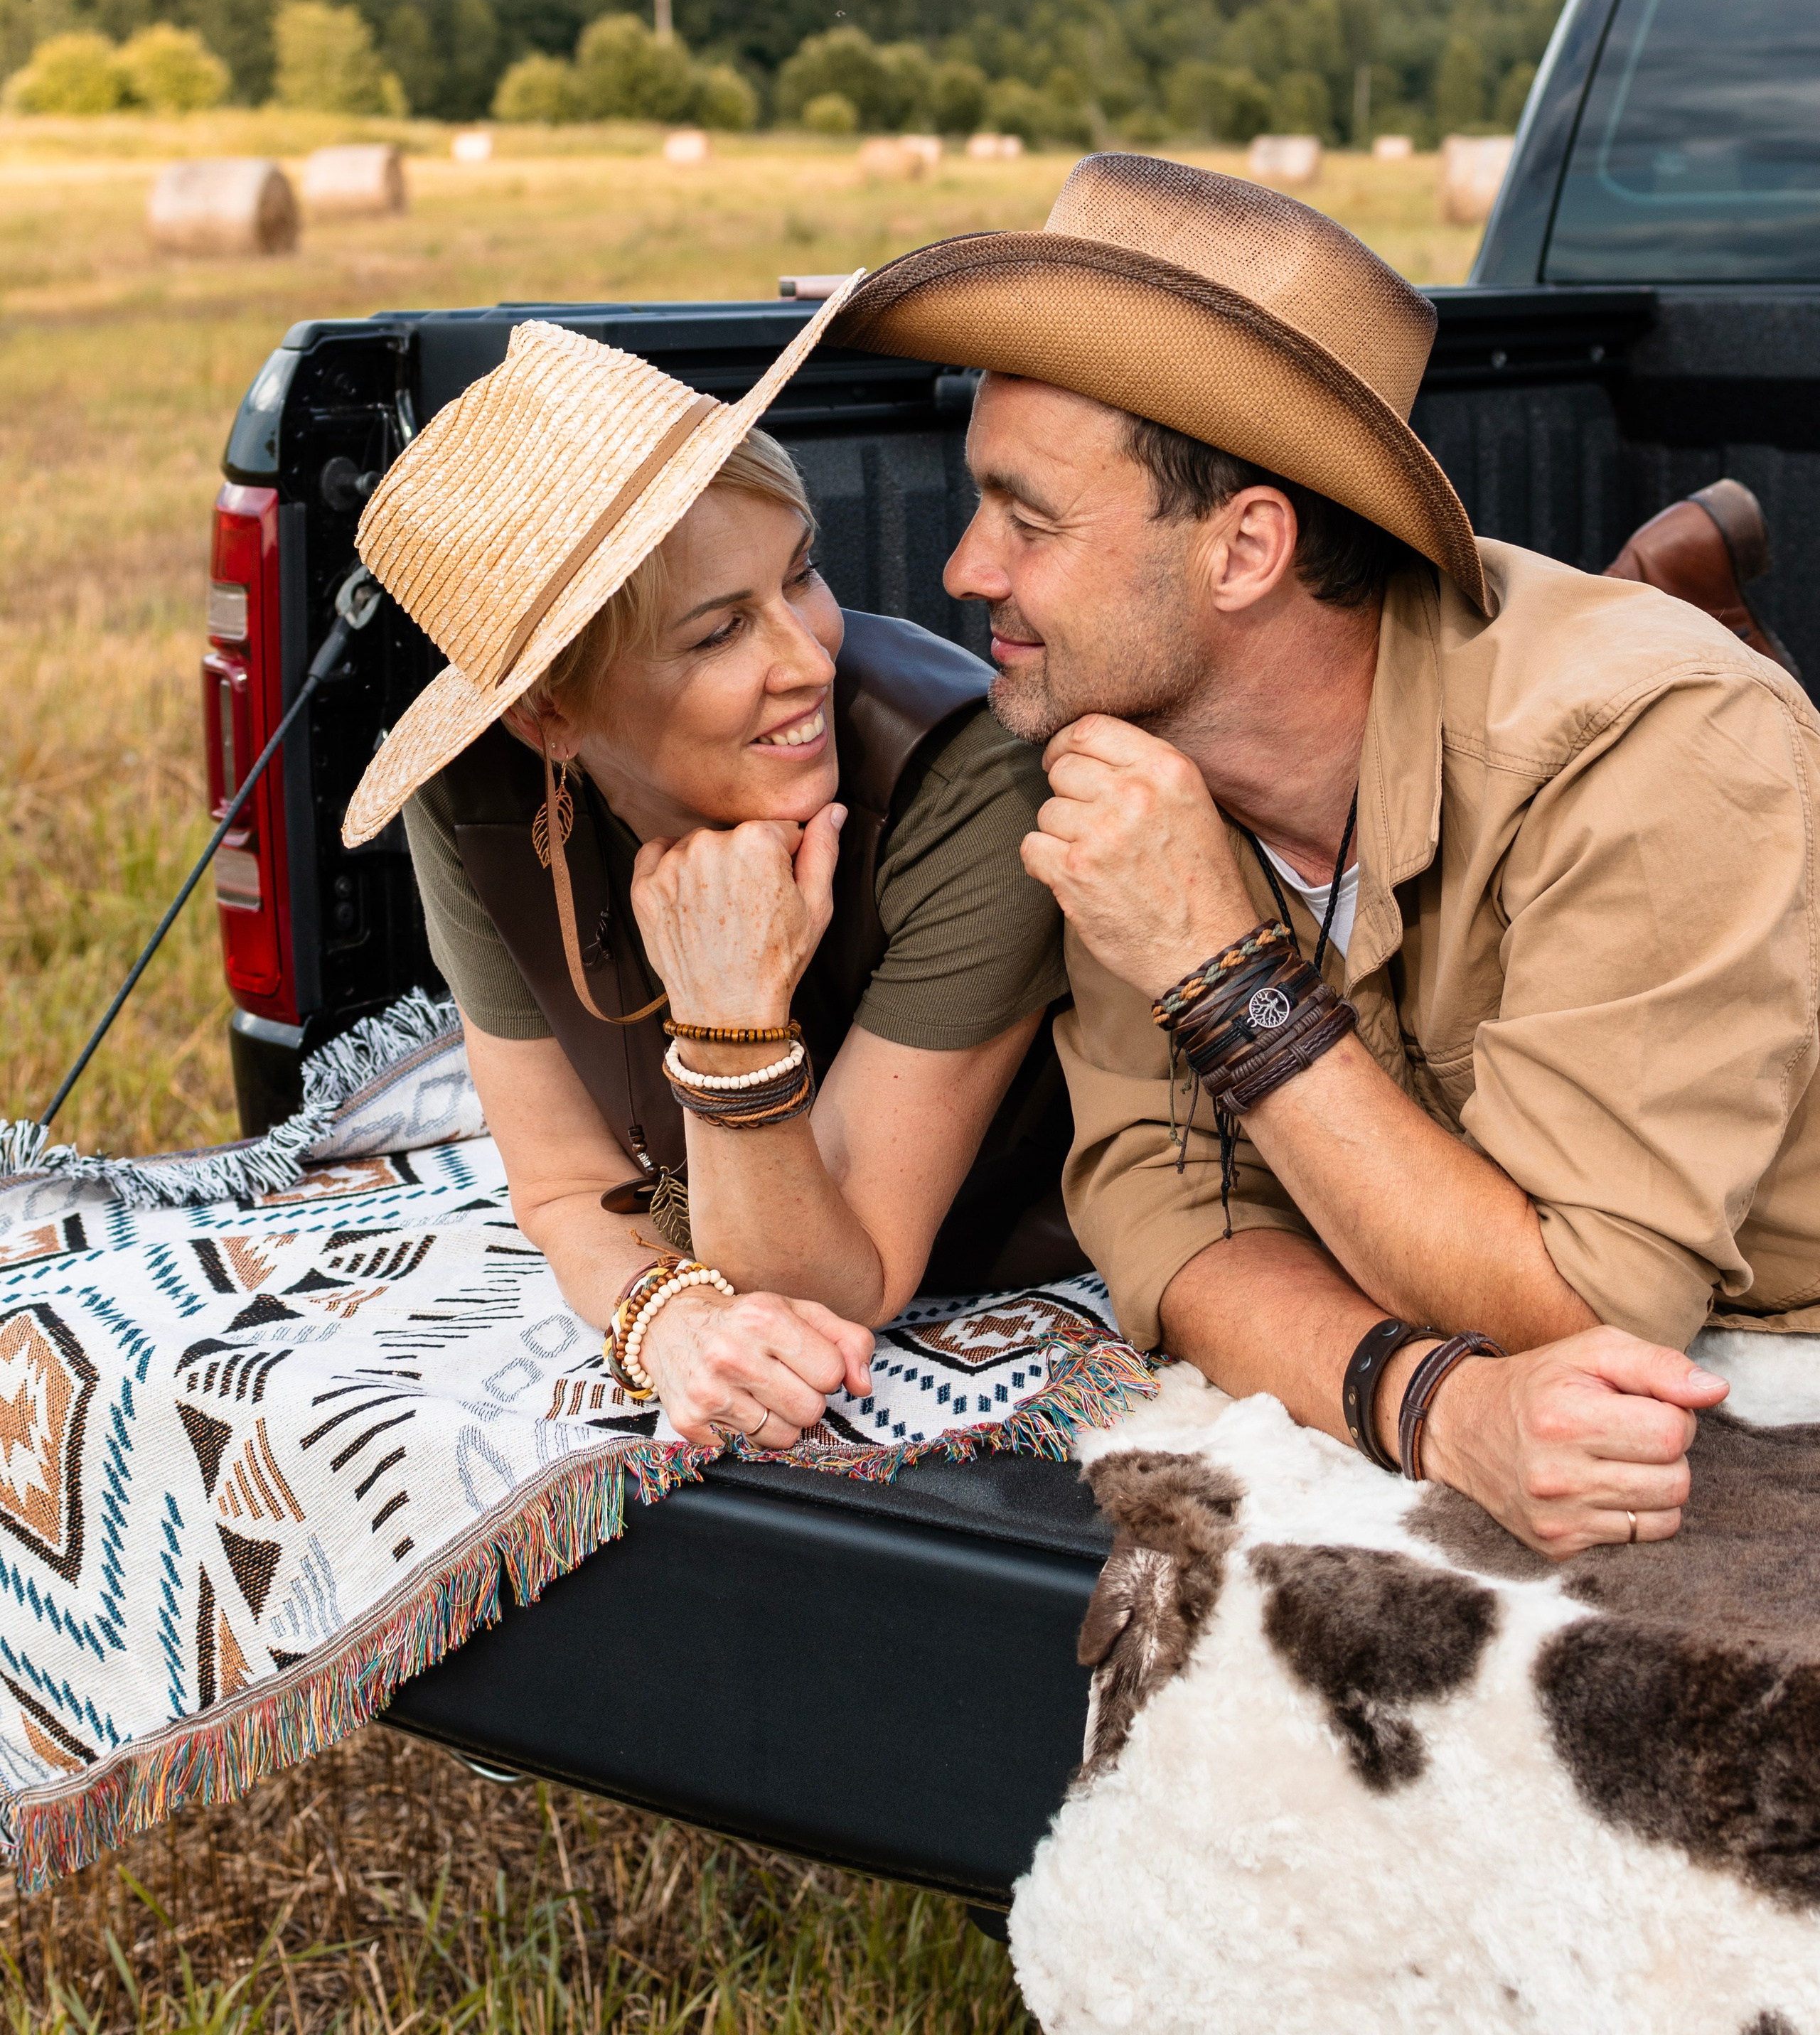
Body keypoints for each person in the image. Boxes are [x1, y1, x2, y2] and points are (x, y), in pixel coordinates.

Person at [832, 153, 1820, 1559]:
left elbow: (1583, 1312)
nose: (962, 571)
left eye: (1027, 520)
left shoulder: (1646, 734)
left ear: (1244, 550)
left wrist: (1215, 968)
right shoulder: (1127, 764)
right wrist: (1421, 1402)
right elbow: (1163, 1214)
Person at [341, 287, 1072, 1451]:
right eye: (718, 632)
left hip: (991, 1269)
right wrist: (666, 1316)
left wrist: (732, 1016)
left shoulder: (972, 787)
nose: (808, 658)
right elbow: (564, 1186)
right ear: (546, 717)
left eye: (800, 576)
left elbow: (837, 1285)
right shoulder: (471, 793)